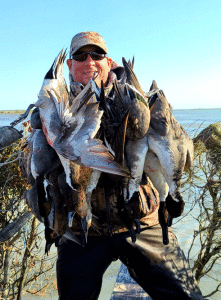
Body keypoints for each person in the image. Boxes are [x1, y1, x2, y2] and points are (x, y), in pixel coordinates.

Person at [56, 31, 203, 300]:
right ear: (69, 65)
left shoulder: (140, 98)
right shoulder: (55, 106)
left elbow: (176, 142)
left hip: (142, 222)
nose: (90, 60)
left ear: (107, 60)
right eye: (81, 55)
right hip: (82, 230)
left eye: (97, 54)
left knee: (187, 296)